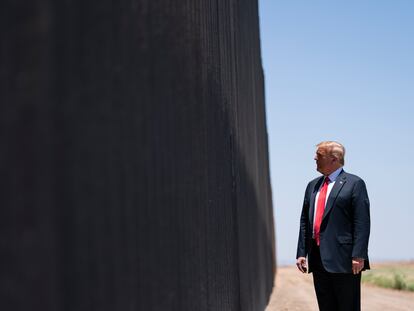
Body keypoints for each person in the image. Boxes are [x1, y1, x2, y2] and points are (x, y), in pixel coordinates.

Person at [296, 141, 370, 311]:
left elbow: (362, 222)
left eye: (319, 155)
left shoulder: (355, 183)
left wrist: (359, 254)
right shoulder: (312, 185)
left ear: (334, 159)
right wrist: (302, 252)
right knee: (326, 306)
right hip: (317, 258)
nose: (315, 157)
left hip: (345, 260)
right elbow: (304, 221)